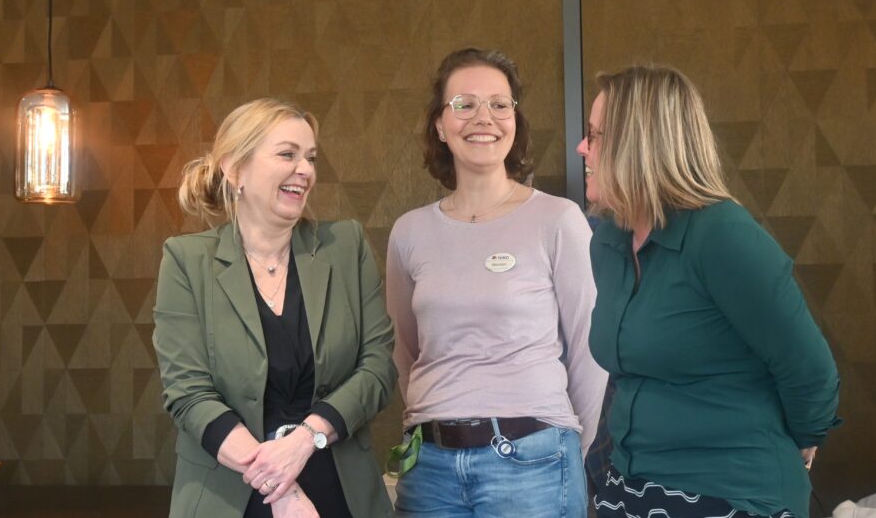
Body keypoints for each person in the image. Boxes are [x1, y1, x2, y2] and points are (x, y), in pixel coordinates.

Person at [576, 65, 841, 518]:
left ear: (640, 146)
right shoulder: (609, 240)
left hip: (729, 492)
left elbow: (810, 370)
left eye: (595, 135)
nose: (582, 147)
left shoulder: (721, 235)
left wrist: (800, 440)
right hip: (630, 483)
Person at [386, 48, 608, 518]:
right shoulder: (409, 232)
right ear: (440, 126)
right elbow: (405, 351)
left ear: (515, 120)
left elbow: (591, 351)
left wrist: (571, 447)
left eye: (499, 104)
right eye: (464, 104)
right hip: (429, 468)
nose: (483, 117)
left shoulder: (558, 219)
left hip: (535, 460)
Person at [153, 98, 397, 518]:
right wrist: (282, 490)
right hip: (231, 495)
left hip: (340, 489)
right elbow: (188, 393)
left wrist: (304, 440)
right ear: (235, 169)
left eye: (311, 158)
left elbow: (377, 368)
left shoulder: (346, 246)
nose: (305, 170)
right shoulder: (186, 260)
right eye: (288, 154)